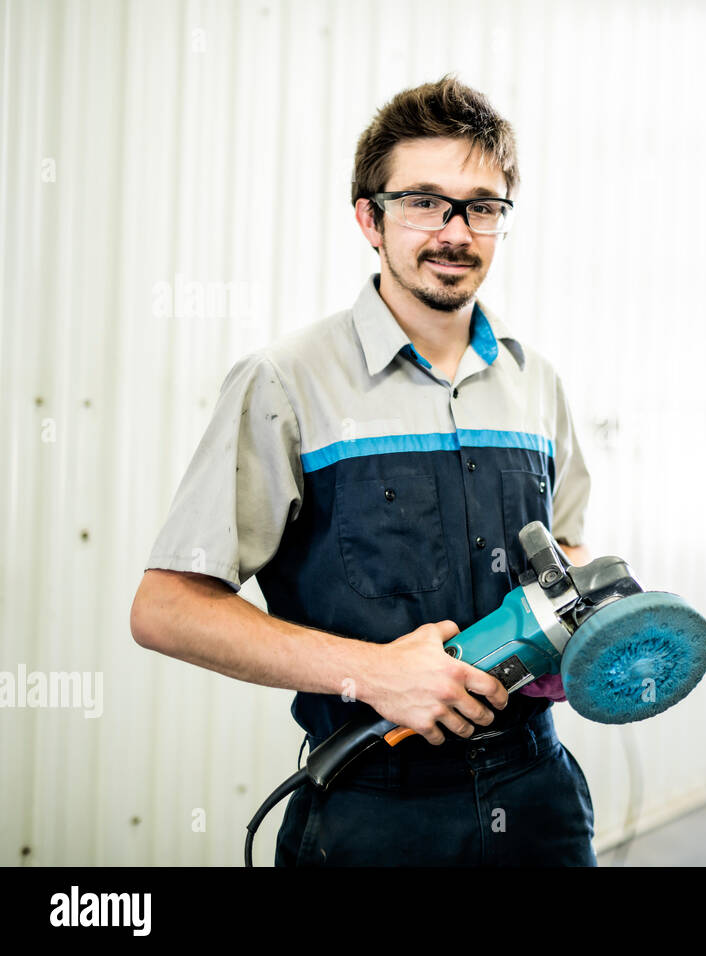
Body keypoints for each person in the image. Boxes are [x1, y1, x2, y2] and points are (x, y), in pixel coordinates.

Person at [129, 74, 597, 866]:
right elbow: (166, 609)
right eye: (423, 201)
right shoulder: (285, 382)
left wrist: (584, 619)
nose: (454, 230)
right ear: (368, 219)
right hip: (374, 807)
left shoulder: (536, 383)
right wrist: (373, 673)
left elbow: (570, 552)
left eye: (481, 207)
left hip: (539, 797)